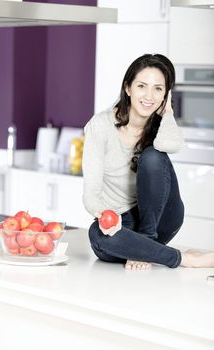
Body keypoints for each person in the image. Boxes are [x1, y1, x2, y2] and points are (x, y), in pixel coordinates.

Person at [82, 53, 214, 270]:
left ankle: (147, 242)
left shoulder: (162, 126)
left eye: (158, 89)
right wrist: (107, 215)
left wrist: (168, 112)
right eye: (142, 86)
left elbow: (171, 145)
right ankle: (181, 257)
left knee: (153, 155)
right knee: (97, 235)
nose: (149, 95)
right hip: (122, 221)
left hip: (162, 218)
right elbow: (91, 194)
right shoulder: (100, 126)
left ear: (166, 95)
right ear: (128, 88)